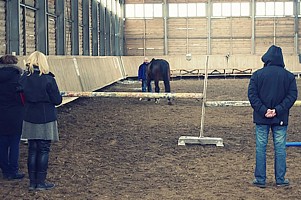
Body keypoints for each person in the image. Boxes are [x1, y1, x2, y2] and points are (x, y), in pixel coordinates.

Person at [248, 45, 298, 188]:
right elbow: (292, 95)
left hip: (261, 117)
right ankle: (280, 179)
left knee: (261, 148)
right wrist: (278, 110)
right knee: (280, 148)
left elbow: (252, 95)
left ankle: (260, 179)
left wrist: (264, 110)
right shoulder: (288, 76)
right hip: (280, 117)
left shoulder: (257, 75)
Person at [20, 51, 62, 191]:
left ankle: (32, 183)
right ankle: (41, 182)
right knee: (44, 149)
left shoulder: (24, 78)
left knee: (32, 149)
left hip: (29, 116)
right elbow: (57, 100)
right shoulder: (49, 79)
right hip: (46, 118)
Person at [0, 54, 25, 180]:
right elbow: (23, 98)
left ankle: (5, 170)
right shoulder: (18, 78)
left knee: (2, 144)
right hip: (15, 115)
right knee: (14, 144)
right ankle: (13, 170)